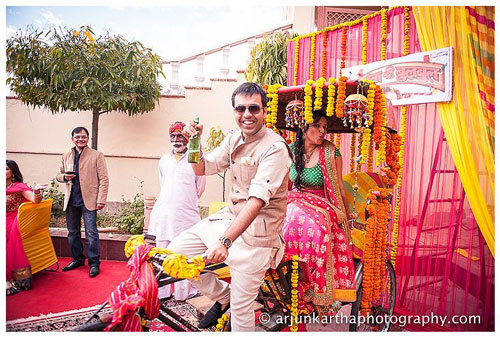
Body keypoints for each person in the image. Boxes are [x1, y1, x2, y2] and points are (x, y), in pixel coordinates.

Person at [167, 82, 292, 331]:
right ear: (234, 111)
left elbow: (256, 201)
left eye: (254, 108)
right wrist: (194, 143)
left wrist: (224, 242)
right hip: (230, 219)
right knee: (175, 256)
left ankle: (234, 303)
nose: (247, 114)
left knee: (242, 309)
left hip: (258, 234)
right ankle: (223, 297)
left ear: (265, 112)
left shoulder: (275, 148)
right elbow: (204, 167)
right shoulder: (233, 138)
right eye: (241, 109)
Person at [283, 110, 357, 317]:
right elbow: (284, 183)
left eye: (325, 127)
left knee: (315, 227)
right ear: (303, 127)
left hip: (321, 203)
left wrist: (347, 213)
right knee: (282, 216)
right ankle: (283, 277)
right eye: (317, 125)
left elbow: (339, 188)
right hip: (293, 199)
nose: (322, 131)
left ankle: (313, 286)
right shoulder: (289, 150)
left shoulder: (332, 153)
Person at [148, 121, 206, 301]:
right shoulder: (163, 160)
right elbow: (163, 185)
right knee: (162, 255)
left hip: (185, 215)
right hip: (163, 215)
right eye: (172, 136)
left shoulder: (195, 159)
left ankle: (184, 293)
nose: (176, 140)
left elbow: (200, 188)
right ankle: (163, 293)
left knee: (184, 256)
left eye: (180, 136)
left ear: (187, 138)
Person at [56, 127, 109, 277]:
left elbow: (104, 179)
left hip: (90, 200)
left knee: (91, 233)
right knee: (73, 233)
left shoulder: (97, 155)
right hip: (71, 199)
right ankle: (78, 259)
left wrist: (101, 199)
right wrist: (65, 177)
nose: (80, 139)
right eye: (77, 137)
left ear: (88, 139)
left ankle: (94, 263)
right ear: (72, 138)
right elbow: (58, 175)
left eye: (84, 137)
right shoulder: (66, 155)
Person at [6, 160, 44, 295]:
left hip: (12, 219)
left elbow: (35, 200)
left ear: (13, 173)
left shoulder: (19, 187)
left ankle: (9, 279)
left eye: (5, 169)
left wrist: (37, 191)